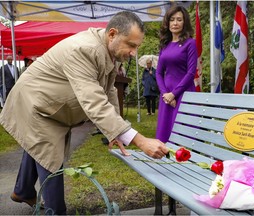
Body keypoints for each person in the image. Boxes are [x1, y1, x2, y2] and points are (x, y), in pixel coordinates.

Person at [0, 11, 169, 215]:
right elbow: (94, 101)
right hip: (34, 104)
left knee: (36, 144)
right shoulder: (84, 49)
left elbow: (109, 91)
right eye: (131, 45)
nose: (134, 52)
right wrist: (140, 140)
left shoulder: (109, 50)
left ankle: (22, 191)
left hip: (48, 106)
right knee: (50, 156)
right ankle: (56, 212)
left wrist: (115, 131)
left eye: (137, 46)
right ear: (112, 34)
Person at [156, 5, 198, 143]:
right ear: (167, 23)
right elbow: (159, 73)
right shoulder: (164, 44)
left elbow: (191, 72)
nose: (175, 23)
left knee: (183, 137)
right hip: (166, 97)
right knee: (164, 135)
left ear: (184, 22)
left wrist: (174, 94)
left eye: (179, 19)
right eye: (172, 19)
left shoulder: (190, 43)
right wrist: (165, 94)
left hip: (183, 94)